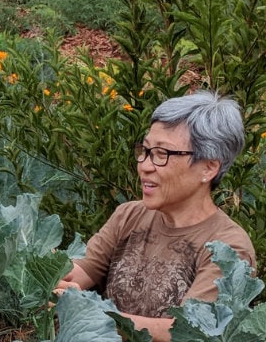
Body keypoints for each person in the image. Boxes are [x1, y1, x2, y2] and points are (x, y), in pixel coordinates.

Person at [55, 90, 256, 342]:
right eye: (146, 150)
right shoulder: (129, 215)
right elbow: (81, 272)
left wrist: (93, 315)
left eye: (163, 154)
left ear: (208, 167)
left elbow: (187, 332)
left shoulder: (228, 248)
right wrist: (52, 274)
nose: (145, 165)